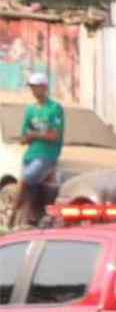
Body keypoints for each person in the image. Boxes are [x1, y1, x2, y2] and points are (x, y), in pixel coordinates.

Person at [7, 71, 65, 229]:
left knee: (25, 180)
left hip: (47, 155)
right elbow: (25, 134)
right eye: (31, 87)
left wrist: (35, 135)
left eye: (36, 87)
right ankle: (27, 222)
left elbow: (55, 136)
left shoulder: (54, 108)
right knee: (31, 189)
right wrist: (26, 138)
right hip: (30, 155)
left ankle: (11, 216)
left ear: (44, 87)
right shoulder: (30, 110)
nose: (33, 90)